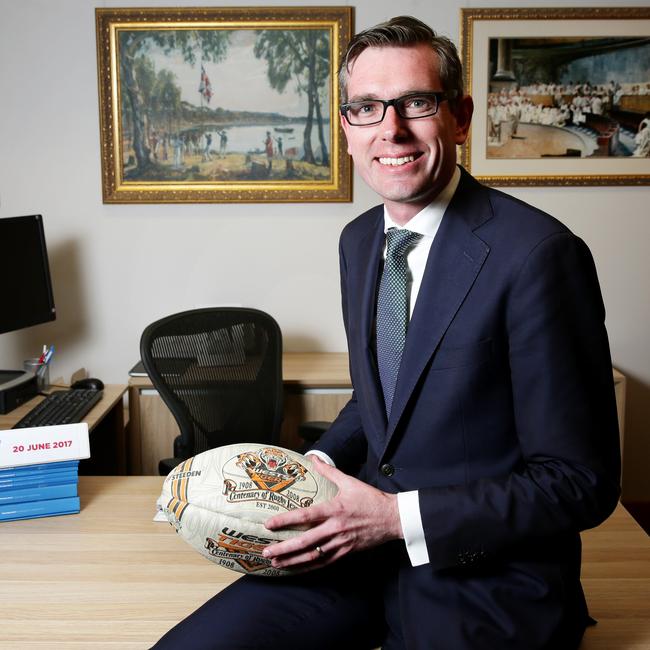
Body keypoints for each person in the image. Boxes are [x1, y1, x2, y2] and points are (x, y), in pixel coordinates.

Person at [152, 16, 620, 650]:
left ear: (459, 117)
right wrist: (313, 466)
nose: (390, 129)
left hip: (484, 583)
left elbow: (578, 482)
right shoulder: (361, 242)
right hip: (356, 553)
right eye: (367, 108)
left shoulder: (539, 255)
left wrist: (395, 518)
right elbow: (385, 401)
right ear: (347, 129)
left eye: (416, 103)